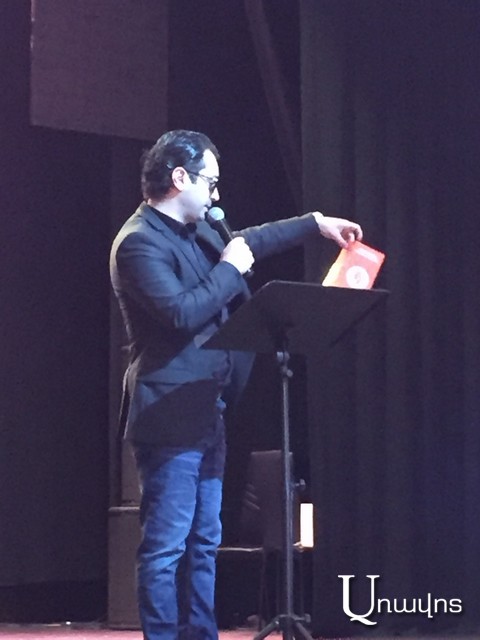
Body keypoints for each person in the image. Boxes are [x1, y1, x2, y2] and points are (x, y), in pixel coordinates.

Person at [109, 129, 363, 640]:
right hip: (169, 415)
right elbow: (181, 313)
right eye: (211, 182)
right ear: (180, 178)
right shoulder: (138, 243)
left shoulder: (199, 228)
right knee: (166, 547)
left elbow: (252, 240)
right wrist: (229, 270)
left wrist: (315, 223)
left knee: (204, 541)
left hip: (209, 409)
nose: (217, 194)